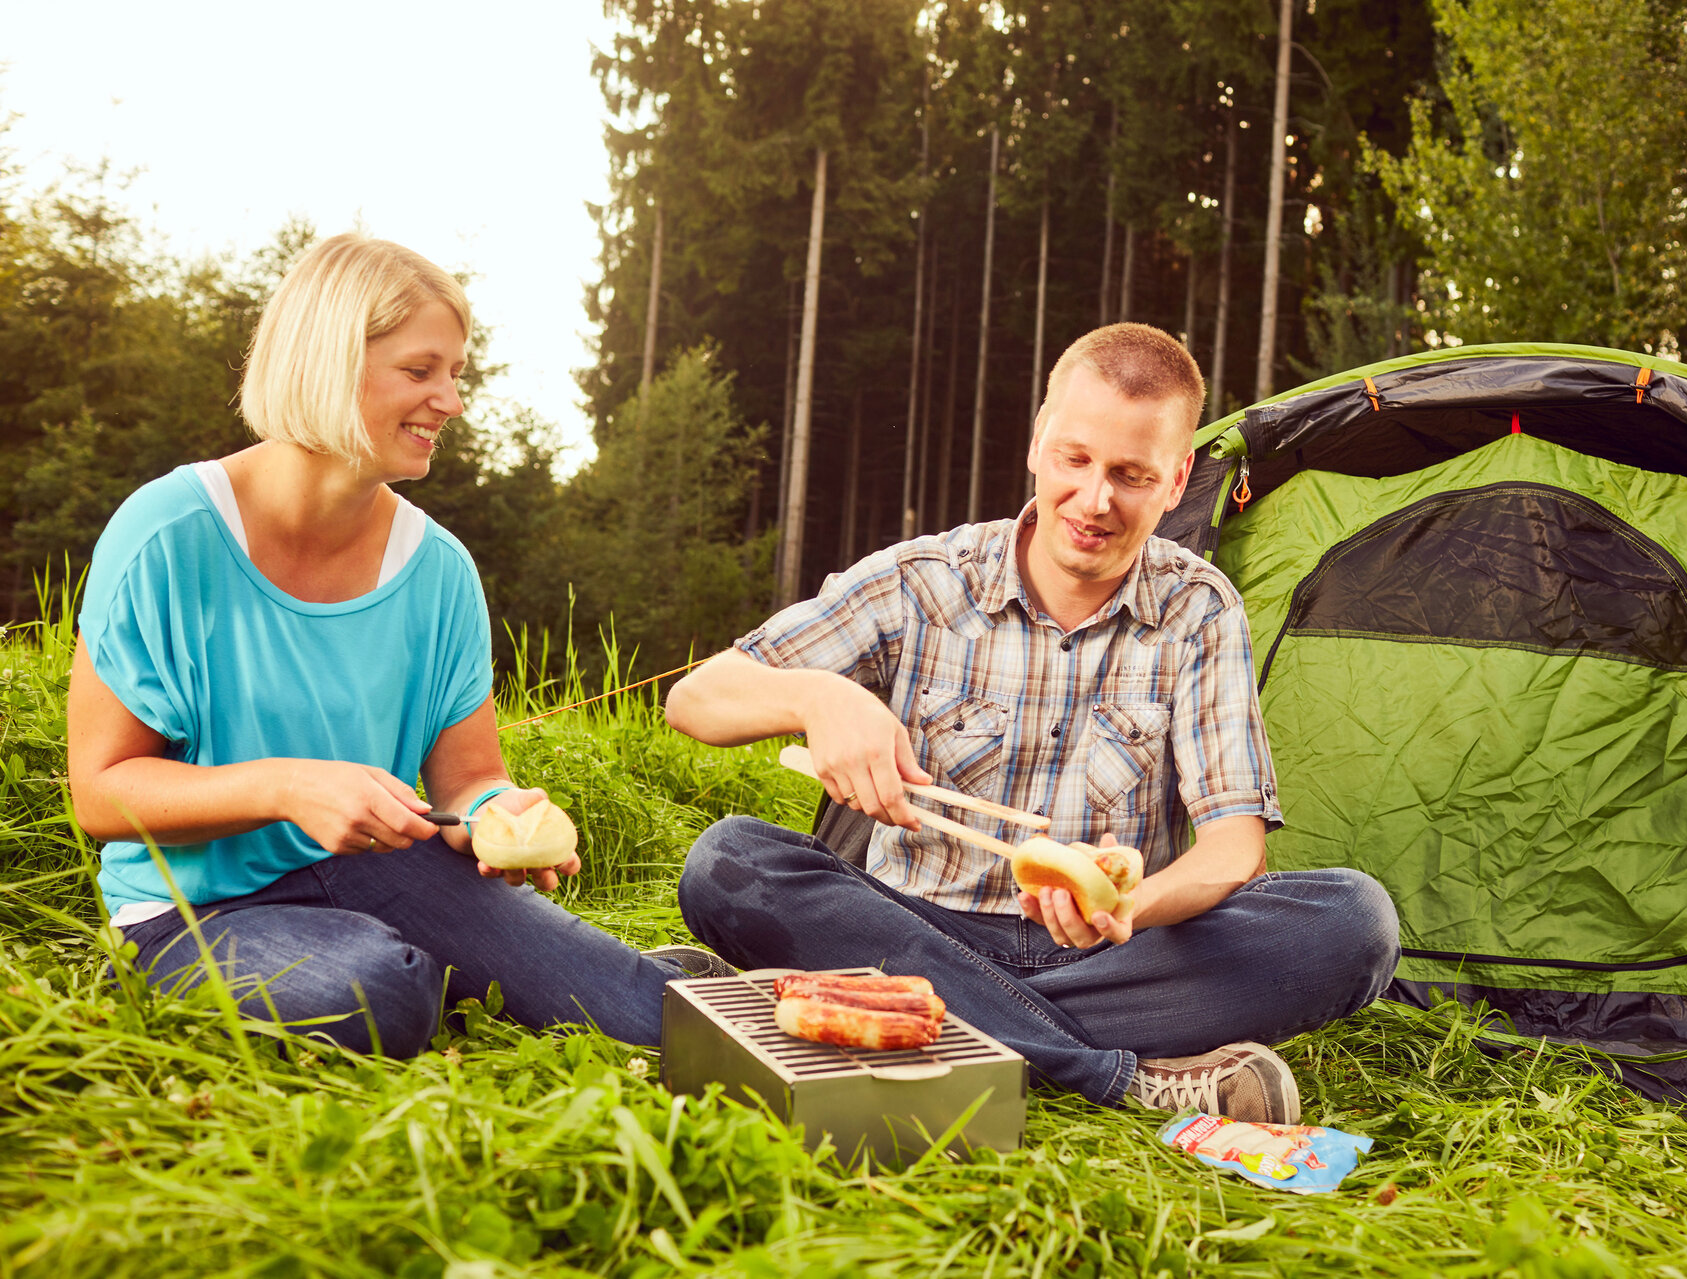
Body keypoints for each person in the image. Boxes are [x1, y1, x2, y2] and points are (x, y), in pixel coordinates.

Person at [666, 323, 1399, 1122]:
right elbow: (697, 697)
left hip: (1112, 952)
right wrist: (815, 699)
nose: (1095, 500)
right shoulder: (925, 580)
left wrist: (1134, 904)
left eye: (1130, 474)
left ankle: (878, 1004)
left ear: (1178, 477)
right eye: (1075, 459)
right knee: (728, 859)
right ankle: (1122, 1075)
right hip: (911, 923)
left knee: (1355, 921)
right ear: (1038, 440)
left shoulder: (1199, 610)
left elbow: (1234, 848)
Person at [67, 233, 726, 1058]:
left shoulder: (439, 570)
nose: (450, 400)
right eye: (421, 372)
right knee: (375, 993)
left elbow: (471, 780)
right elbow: (103, 793)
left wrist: (499, 815)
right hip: (192, 910)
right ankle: (433, 971)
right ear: (327, 362)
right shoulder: (169, 533)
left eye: (456, 373)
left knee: (648, 1018)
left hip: (384, 875)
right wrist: (289, 787)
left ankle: (617, 976)